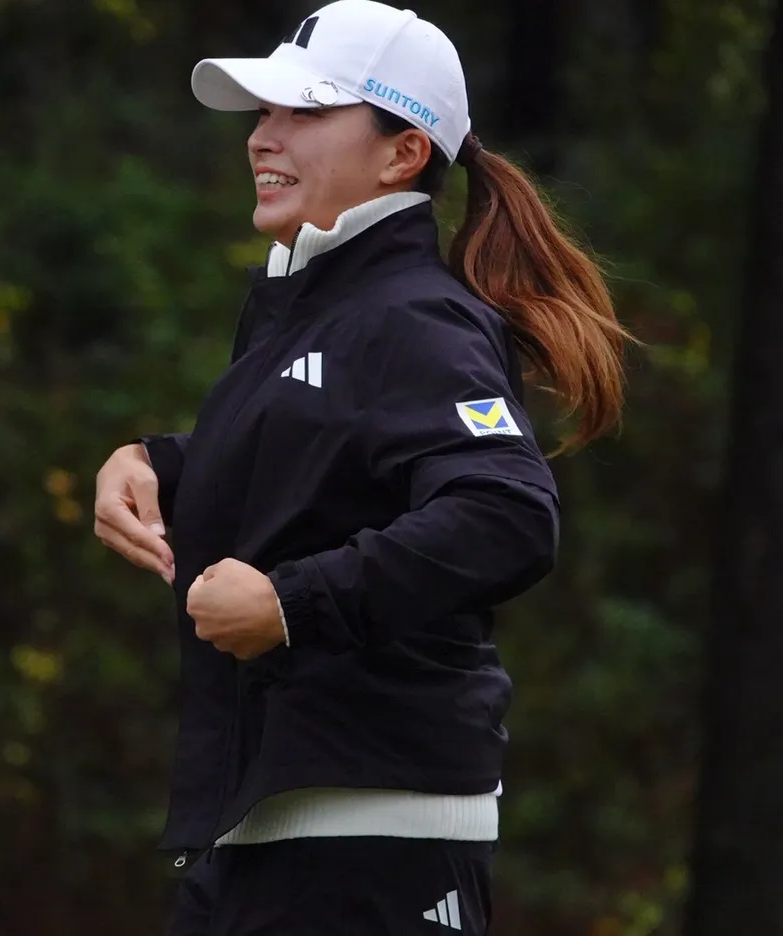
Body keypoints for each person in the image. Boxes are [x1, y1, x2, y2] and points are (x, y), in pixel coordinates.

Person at [92, 1, 632, 932]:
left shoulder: (415, 315)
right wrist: (153, 464)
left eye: (304, 111)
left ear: (403, 153)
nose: (263, 135)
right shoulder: (305, 303)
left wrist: (289, 605)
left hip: (375, 847)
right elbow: (316, 455)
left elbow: (506, 513)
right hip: (265, 835)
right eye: (265, 110)